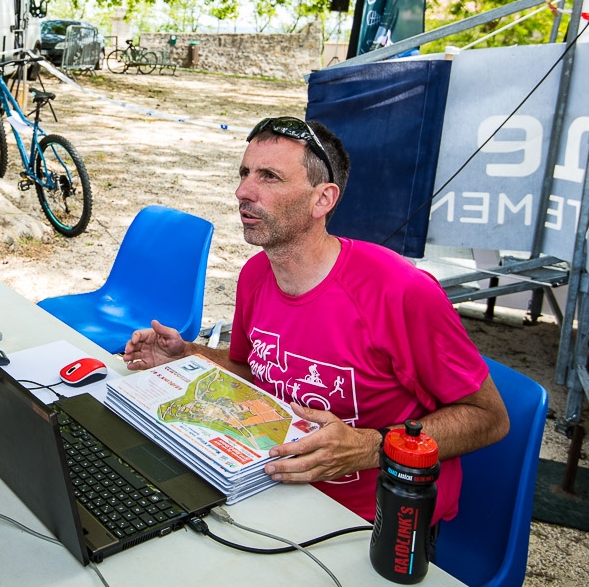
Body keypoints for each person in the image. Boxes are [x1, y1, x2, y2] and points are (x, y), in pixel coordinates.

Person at [122, 117, 509, 524]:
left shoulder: (400, 291)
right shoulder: (256, 275)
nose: (242, 192)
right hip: (267, 485)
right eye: (244, 173)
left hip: (374, 520)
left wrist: (368, 447)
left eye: (269, 177)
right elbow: (252, 372)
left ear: (322, 199)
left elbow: (490, 418)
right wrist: (187, 355)